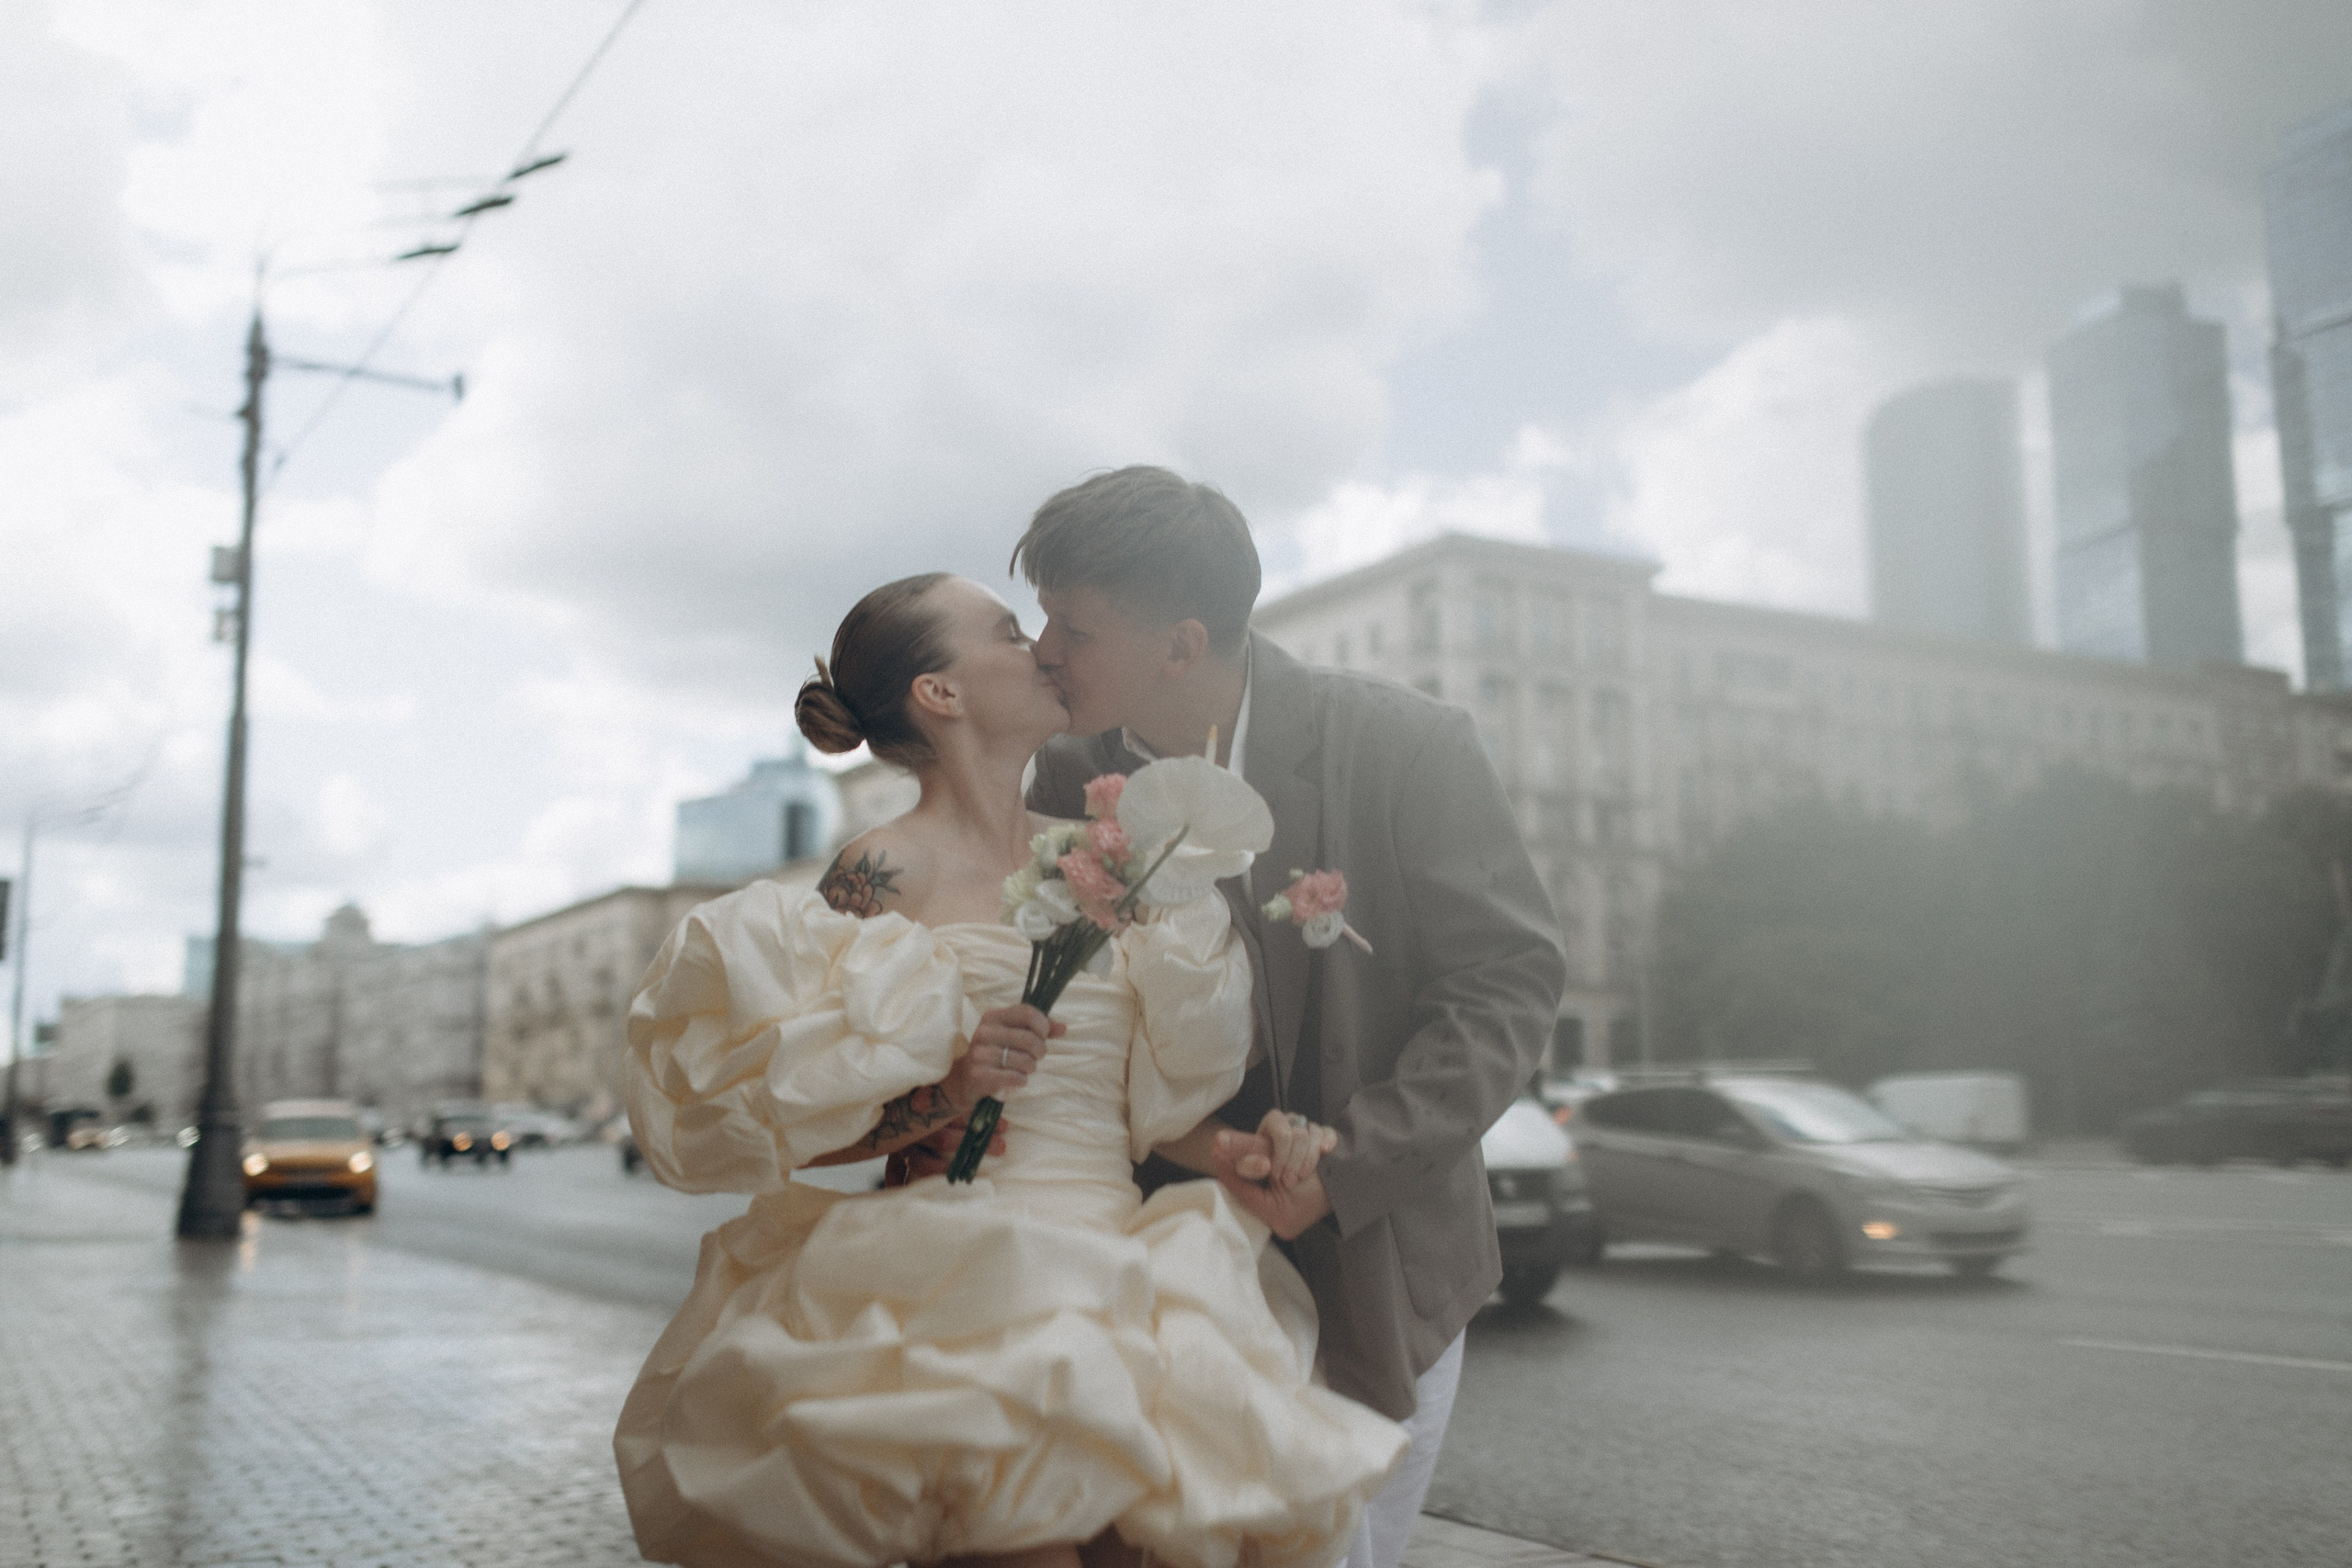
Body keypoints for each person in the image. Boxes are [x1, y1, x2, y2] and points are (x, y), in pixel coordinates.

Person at [613, 570, 1406, 1568]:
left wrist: (1246, 1151)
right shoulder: (880, 872)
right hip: (960, 1283)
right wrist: (946, 1094)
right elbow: (797, 1130)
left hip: (1127, 1269)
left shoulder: (1113, 862)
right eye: (1002, 630)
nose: (1038, 644)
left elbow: (1134, 1112)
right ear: (938, 694)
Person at [1012, 468, 1567, 1568]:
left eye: (1070, 626)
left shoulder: (1406, 745)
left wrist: (1354, 1158)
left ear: (1179, 644)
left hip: (1371, 1260)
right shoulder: (1066, 772)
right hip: (1156, 1262)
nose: (1041, 651)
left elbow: (1507, 979)